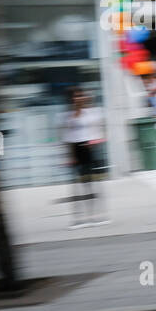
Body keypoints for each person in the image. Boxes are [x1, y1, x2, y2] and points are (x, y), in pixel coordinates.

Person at [61, 88, 107, 228]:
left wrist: (96, 141)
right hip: (76, 150)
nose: (79, 98)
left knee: (93, 184)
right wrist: (69, 156)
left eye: (81, 96)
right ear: (72, 99)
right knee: (77, 186)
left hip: (89, 149)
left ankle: (96, 216)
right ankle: (78, 219)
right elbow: (66, 138)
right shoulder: (68, 116)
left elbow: (102, 129)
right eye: (76, 96)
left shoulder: (92, 113)